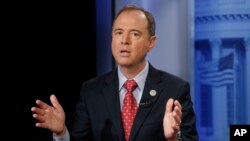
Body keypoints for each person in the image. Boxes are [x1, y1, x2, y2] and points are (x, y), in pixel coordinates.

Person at [31, 4, 198, 141]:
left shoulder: (175, 90)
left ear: (151, 42)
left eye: (134, 34)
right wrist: (61, 134)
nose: (124, 41)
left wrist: (173, 139)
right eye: (118, 33)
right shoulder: (91, 91)